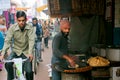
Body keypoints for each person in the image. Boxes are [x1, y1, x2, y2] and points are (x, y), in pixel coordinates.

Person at [0, 11, 35, 80]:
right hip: (16, 51)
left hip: (26, 52)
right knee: (8, 64)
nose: (21, 22)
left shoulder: (30, 28)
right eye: (19, 20)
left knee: (29, 72)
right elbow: (7, 41)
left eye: (23, 20)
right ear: (16, 20)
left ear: (26, 20)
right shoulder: (12, 28)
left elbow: (31, 40)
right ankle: (11, 78)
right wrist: (2, 54)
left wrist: (30, 53)